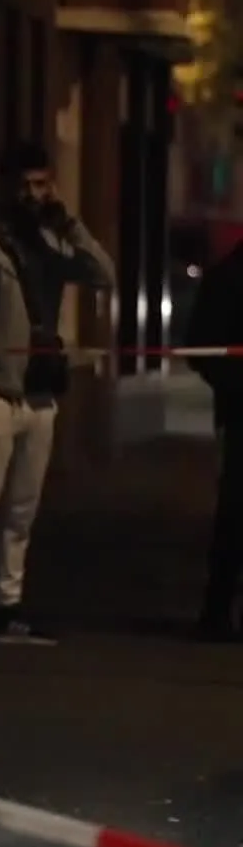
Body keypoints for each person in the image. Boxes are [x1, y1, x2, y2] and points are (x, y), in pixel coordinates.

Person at [0, 141, 114, 647]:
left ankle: (7, 603)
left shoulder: (53, 242)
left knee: (22, 509)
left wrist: (69, 223)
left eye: (40, 183)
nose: (31, 193)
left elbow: (102, 275)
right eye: (23, 184)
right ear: (6, 185)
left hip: (40, 395)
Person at [186, 239, 243, 639]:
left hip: (236, 409)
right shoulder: (227, 277)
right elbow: (202, 346)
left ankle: (218, 612)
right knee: (234, 515)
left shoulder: (225, 274)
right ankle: (217, 611)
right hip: (240, 415)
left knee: (233, 515)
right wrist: (232, 386)